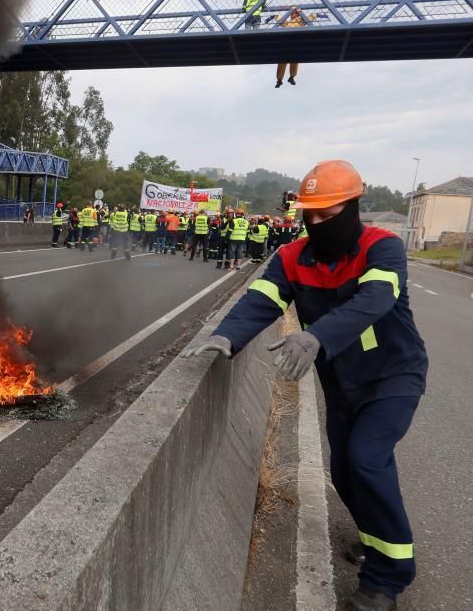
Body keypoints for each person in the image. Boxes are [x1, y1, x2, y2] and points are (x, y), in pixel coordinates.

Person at [181, 160, 426, 611]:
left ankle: (386, 578)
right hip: (341, 381)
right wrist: (225, 335)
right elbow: (263, 298)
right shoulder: (293, 255)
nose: (314, 224)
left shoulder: (382, 247)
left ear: (353, 207)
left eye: (326, 215)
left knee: (366, 460)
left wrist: (317, 335)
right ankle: (376, 538)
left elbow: (376, 298)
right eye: (307, 215)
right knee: (344, 473)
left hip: (392, 374)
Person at [274, 6, 312, 87]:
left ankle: (291, 76)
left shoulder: (300, 21)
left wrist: (315, 15)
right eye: (292, 13)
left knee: (294, 61)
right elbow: (282, 21)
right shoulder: (288, 23)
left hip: (294, 44)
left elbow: (308, 19)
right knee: (282, 62)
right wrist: (275, 16)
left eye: (294, 13)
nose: (292, 15)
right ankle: (279, 79)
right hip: (287, 44)